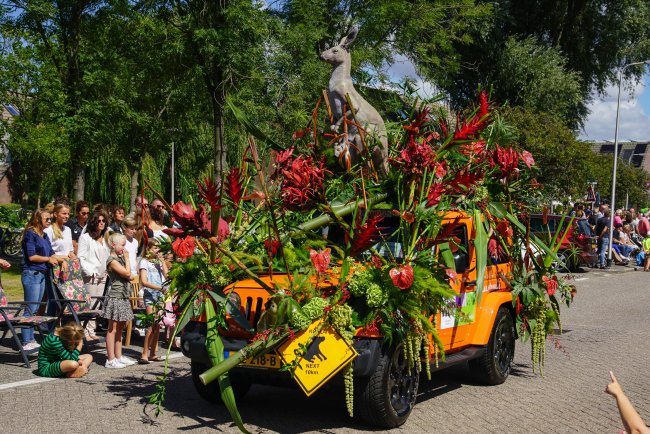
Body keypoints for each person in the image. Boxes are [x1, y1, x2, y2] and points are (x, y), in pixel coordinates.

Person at [20, 209, 66, 350]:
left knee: (37, 308)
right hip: (32, 273)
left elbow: (52, 253)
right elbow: (32, 257)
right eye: (47, 219)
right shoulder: (30, 234)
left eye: (50, 219)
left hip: (42, 274)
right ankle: (26, 340)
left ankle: (31, 339)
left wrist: (62, 260)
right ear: (38, 219)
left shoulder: (44, 235)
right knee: (31, 308)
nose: (49, 221)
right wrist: (49, 259)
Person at [102, 232, 136, 368]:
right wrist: (127, 260)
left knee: (121, 327)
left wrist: (128, 271)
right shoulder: (112, 260)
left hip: (123, 295)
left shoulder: (120, 259)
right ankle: (110, 359)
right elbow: (128, 273)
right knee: (113, 328)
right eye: (122, 245)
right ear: (113, 245)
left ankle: (118, 356)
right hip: (115, 296)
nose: (124, 248)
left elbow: (131, 275)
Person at [77, 210, 110, 342]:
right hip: (90, 275)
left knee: (97, 305)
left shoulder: (106, 238)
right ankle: (84, 332)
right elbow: (81, 257)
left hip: (102, 274)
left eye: (103, 221)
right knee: (88, 304)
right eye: (99, 221)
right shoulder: (86, 238)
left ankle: (91, 330)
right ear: (93, 222)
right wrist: (89, 272)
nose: (101, 223)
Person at [138, 239, 168, 363]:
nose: (157, 251)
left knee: (157, 324)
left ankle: (153, 353)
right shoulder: (144, 262)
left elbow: (167, 277)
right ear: (148, 249)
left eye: (158, 249)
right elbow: (144, 281)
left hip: (160, 296)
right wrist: (160, 288)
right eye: (155, 248)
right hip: (150, 294)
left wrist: (163, 262)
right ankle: (144, 353)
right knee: (151, 324)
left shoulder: (158, 263)